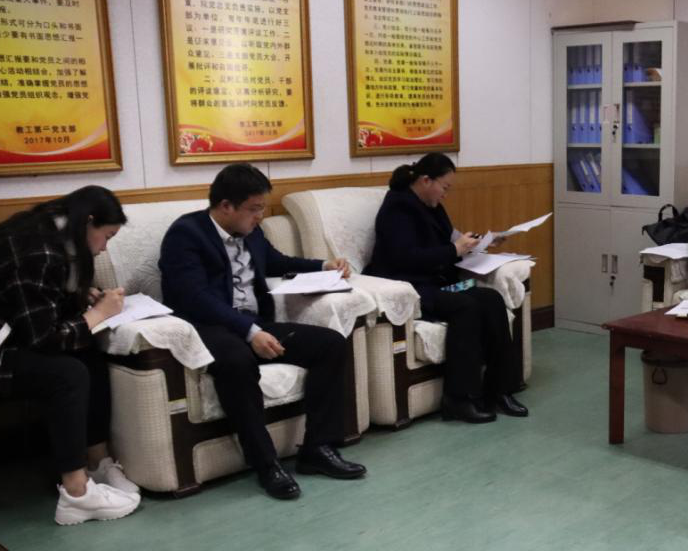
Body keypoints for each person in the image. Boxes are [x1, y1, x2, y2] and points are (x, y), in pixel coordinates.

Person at [159, 163, 366, 499]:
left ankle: (318, 448)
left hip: (255, 323)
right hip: (210, 329)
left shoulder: (252, 232)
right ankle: (266, 463)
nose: (260, 217)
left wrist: (323, 265)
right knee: (238, 362)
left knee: (330, 344)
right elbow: (194, 297)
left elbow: (276, 261)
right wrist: (249, 331)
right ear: (226, 206)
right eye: (254, 209)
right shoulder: (186, 235)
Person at [0, 186, 141, 525]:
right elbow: (42, 338)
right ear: (88, 222)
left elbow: (33, 306)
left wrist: (83, 301)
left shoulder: (50, 231)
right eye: (106, 236)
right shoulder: (39, 250)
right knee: (67, 374)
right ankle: (76, 493)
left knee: (87, 352)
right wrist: (98, 314)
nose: (104, 248)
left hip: (4, 338)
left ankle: (97, 463)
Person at [363, 153, 527, 424]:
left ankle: (499, 390)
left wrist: (480, 243)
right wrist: (454, 249)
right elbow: (405, 258)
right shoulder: (397, 209)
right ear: (426, 180)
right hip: (412, 288)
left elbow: (452, 238)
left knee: (491, 298)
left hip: (440, 283)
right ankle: (458, 399)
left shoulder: (433, 205)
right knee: (466, 307)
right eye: (445, 187)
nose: (445, 194)